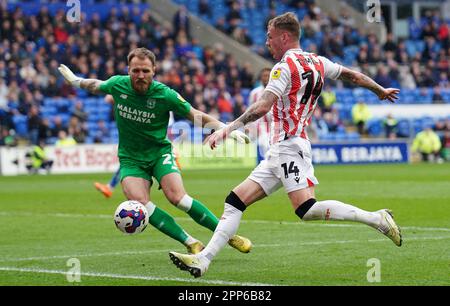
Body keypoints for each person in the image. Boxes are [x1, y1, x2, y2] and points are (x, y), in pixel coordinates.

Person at [169, 12, 402, 278]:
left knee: (305, 209)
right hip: (281, 149)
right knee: (235, 201)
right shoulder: (317, 61)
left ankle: (376, 219)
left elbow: (262, 107)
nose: (267, 42)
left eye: (269, 37)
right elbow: (353, 75)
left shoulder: (283, 67)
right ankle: (203, 260)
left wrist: (227, 129)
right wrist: (379, 90)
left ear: (284, 36)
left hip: (289, 146)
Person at [58, 47, 252, 255]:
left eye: (145, 71)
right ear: (128, 70)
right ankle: (190, 242)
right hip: (131, 159)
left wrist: (225, 129)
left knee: (179, 198)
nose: (140, 75)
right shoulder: (118, 85)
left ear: (154, 71)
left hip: (159, 153)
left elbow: (195, 114)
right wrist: (76, 81)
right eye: (136, 71)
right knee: (140, 203)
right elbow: (96, 85)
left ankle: (228, 236)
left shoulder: (165, 94)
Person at [248, 67, 272, 160]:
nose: (266, 78)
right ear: (260, 78)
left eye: (268, 76)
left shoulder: (279, 91)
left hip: (277, 128)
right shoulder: (255, 93)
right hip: (262, 129)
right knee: (265, 157)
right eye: (264, 76)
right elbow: (250, 111)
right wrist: (251, 127)